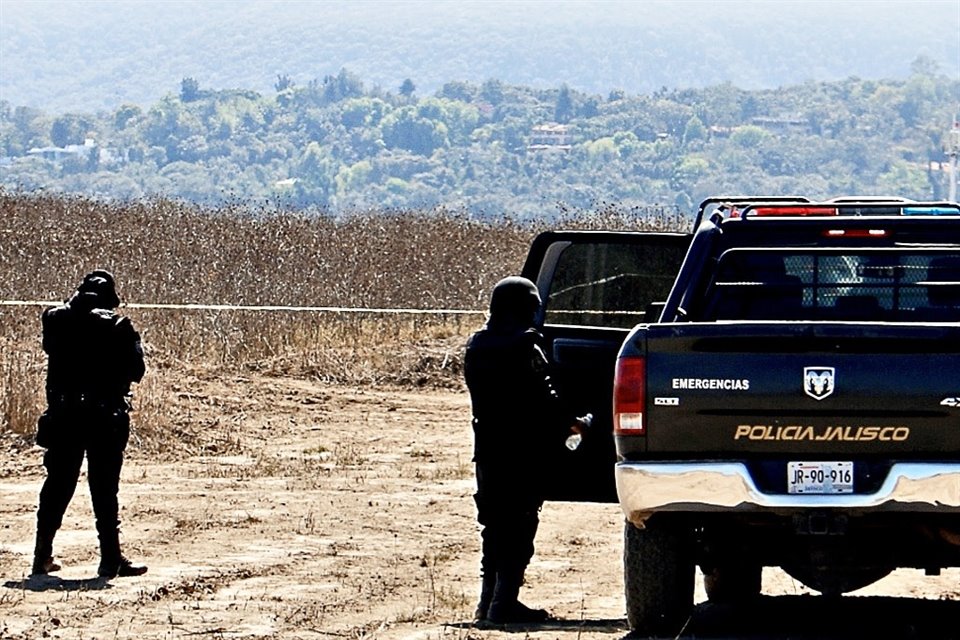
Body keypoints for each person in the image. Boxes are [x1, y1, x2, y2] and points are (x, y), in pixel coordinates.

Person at [464, 276, 590, 625]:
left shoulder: (477, 345)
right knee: (520, 526)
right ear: (526, 309)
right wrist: (578, 422)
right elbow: (545, 400)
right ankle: (503, 605)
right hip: (522, 453)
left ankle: (487, 603)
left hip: (488, 450)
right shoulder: (525, 346)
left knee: (493, 525)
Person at [31, 270, 148, 579]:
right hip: (105, 418)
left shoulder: (54, 321)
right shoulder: (119, 327)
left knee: (57, 485)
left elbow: (54, 340)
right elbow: (138, 370)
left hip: (64, 416)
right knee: (105, 489)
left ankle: (41, 556)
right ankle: (110, 559)